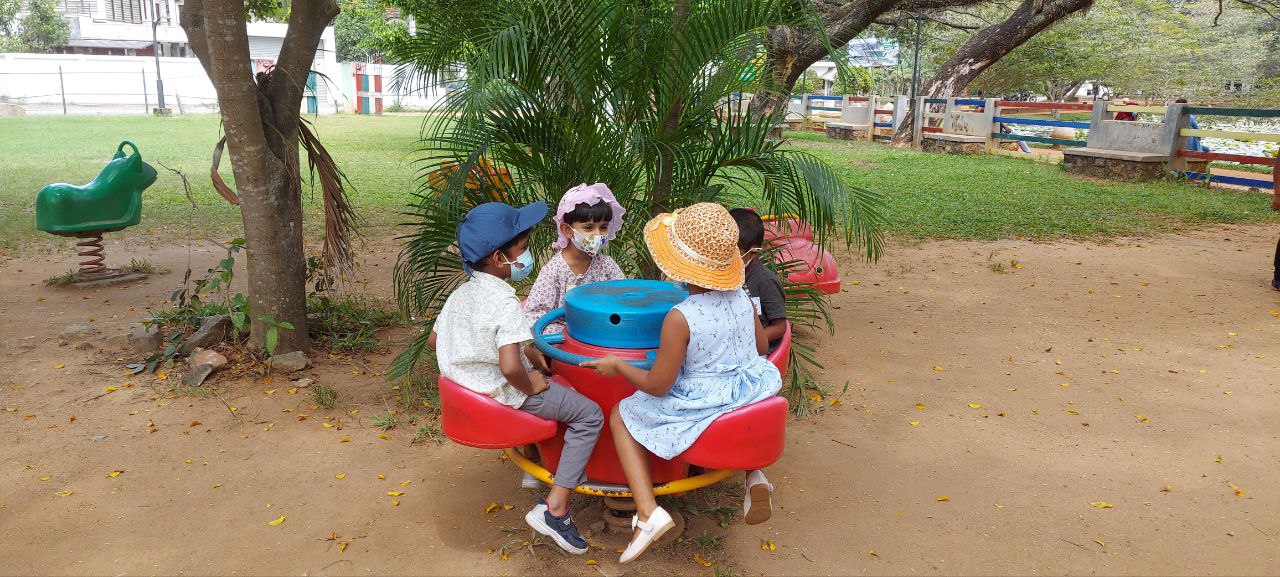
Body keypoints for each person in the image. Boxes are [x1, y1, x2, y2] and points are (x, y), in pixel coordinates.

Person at [582, 203, 783, 564]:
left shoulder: (681, 316)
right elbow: (762, 347)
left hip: (706, 403)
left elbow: (658, 385)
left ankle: (647, 513)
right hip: (748, 393)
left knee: (622, 414)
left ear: (678, 264)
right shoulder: (741, 297)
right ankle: (755, 473)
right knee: (740, 399)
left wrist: (618, 367)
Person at [428, 201, 603, 556]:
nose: (525, 259)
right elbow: (510, 368)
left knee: (554, 386)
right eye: (521, 251)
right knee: (590, 414)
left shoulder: (461, 293)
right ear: (497, 259)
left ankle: (542, 468)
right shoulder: (505, 300)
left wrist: (511, 349)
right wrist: (532, 383)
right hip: (501, 392)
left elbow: (435, 340)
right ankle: (555, 509)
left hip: (466, 390)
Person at [524, 183, 627, 334]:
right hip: (565, 342)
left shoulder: (607, 266)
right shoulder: (554, 271)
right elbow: (534, 316)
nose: (597, 234)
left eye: (603, 227)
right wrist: (566, 336)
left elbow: (624, 299)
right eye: (588, 227)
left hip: (603, 336)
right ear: (567, 230)